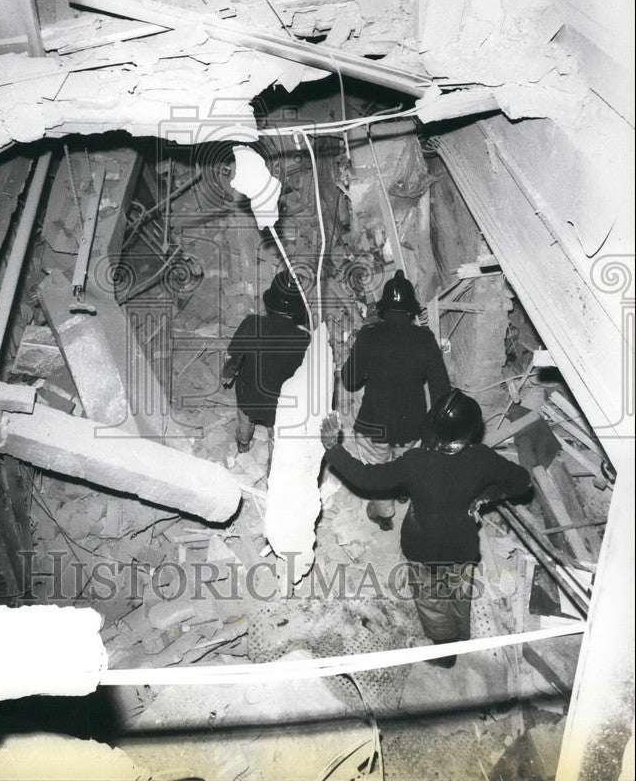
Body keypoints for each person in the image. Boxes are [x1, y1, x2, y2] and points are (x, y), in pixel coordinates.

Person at [322, 389, 532, 667]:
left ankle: (445, 655)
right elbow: (523, 480)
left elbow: (365, 477)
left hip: (423, 550)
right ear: (469, 433)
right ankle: (462, 634)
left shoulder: (415, 462)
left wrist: (333, 449)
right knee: (459, 592)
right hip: (463, 548)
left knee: (432, 602)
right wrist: (483, 497)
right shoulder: (482, 458)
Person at [341, 269, 450, 530]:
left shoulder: (369, 336)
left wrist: (357, 353)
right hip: (412, 425)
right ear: (412, 310)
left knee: (378, 472)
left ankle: (384, 514)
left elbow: (349, 380)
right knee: (406, 463)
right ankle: (403, 491)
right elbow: (441, 390)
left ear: (383, 309)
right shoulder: (425, 339)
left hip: (373, 424)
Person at [222, 271, 310, 456]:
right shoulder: (304, 339)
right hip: (279, 403)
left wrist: (228, 374)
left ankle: (243, 445)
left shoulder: (252, 323)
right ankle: (274, 462)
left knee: (245, 421)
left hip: (250, 395)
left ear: (271, 302)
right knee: (276, 431)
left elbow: (234, 356)